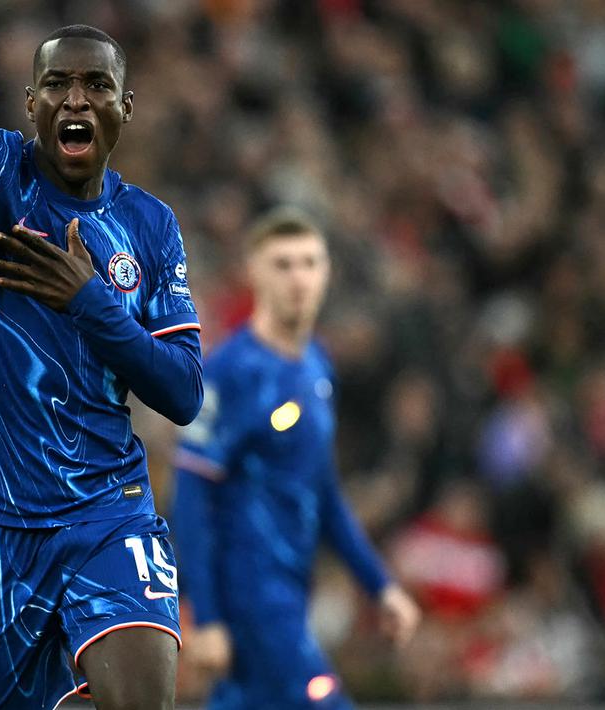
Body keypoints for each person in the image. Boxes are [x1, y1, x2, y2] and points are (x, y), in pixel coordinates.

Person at [0, 23, 203, 710]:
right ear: (31, 101)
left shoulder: (149, 225)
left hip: (107, 510)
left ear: (125, 107)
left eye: (97, 85)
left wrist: (89, 301)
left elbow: (183, 391)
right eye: (59, 84)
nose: (76, 99)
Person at [172, 208, 420, 710]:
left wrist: (380, 585)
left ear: (326, 273)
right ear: (254, 272)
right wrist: (209, 617)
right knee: (322, 700)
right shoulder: (229, 373)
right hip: (250, 597)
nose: (298, 278)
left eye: (309, 263)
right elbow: (192, 494)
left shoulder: (315, 367)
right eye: (281, 264)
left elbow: (323, 492)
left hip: (291, 588)